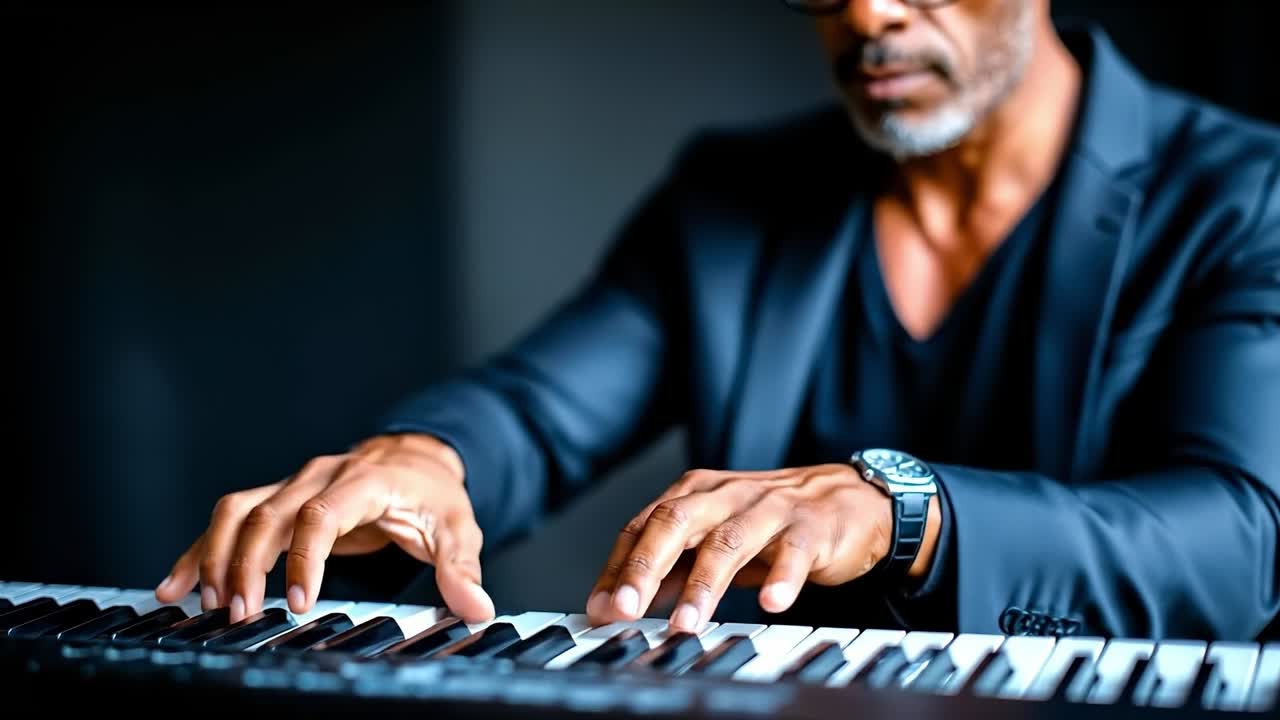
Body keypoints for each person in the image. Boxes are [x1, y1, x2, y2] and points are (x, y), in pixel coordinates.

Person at [155, 0, 1280, 642]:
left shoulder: (1243, 190)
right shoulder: (729, 198)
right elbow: (536, 413)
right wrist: (424, 460)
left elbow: (1238, 542)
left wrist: (907, 512)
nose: (865, 15)